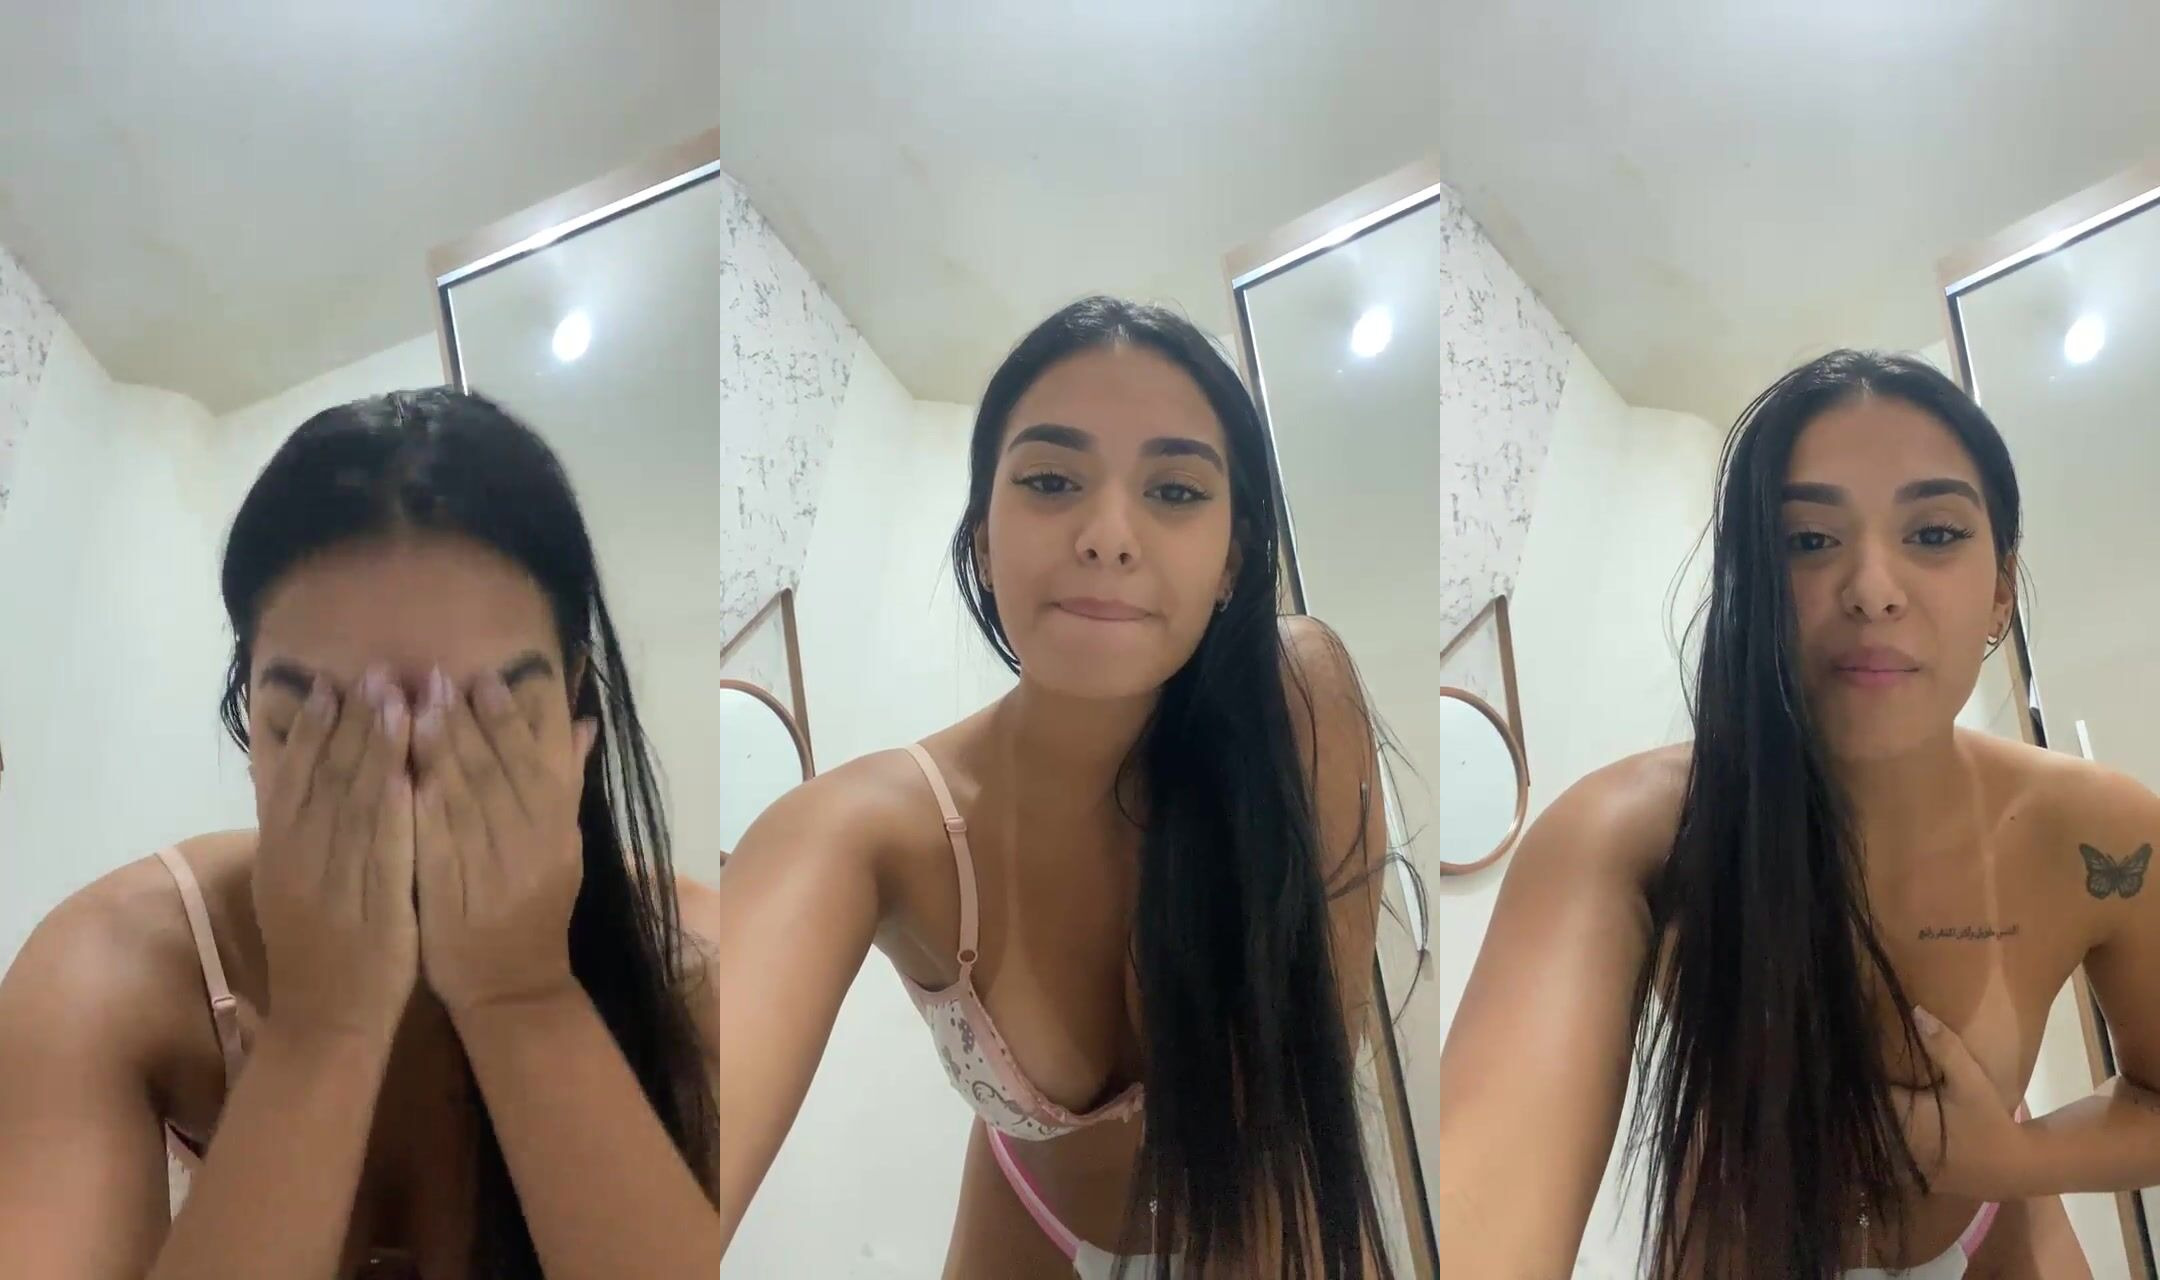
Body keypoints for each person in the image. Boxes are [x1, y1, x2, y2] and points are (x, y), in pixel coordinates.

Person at [718, 297, 1409, 1277]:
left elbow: (1301, 1099)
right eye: (1050, 480)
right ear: (983, 537)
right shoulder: (869, 830)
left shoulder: (1300, 700)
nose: (1108, 535)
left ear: (1231, 560)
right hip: (1028, 1226)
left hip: (1261, 1215)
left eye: (1175, 491)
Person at [1439, 350, 2160, 1277]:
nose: (1873, 588)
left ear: (1999, 591)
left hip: (1993, 1238)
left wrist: (2013, 1161)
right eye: (1808, 540)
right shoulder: (1629, 836)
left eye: (1935, 533)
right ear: (1750, 586)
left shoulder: (2101, 831)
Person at [0, 389, 721, 1279]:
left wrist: (523, 997)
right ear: (251, 714)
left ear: (575, 705)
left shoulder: (693, 964)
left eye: (486, 727)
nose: (404, 791)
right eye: (321, 729)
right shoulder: (107, 970)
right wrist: (320, 1026)